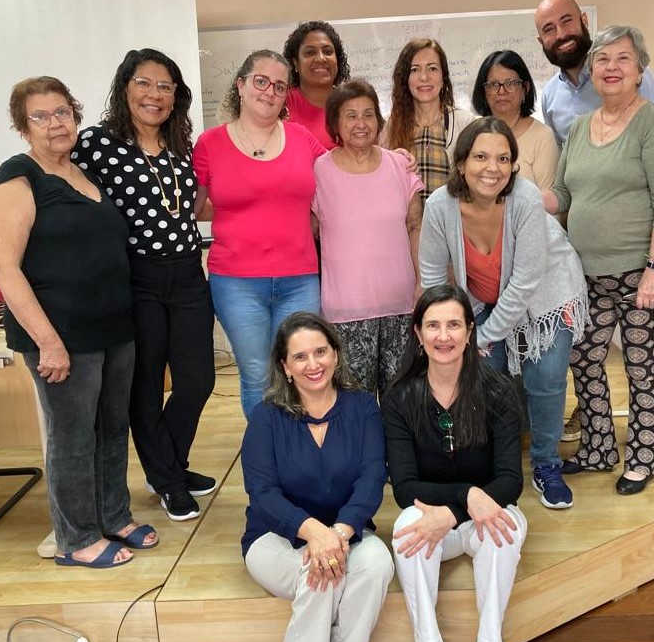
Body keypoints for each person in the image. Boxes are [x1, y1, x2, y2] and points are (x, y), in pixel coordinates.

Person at [0, 76, 157, 568]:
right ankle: (76, 539)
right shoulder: (16, 180)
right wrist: (48, 342)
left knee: (110, 427)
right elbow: (4, 267)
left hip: (112, 329)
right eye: (40, 116)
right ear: (23, 127)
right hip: (62, 336)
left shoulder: (81, 173)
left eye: (62, 112)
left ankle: (112, 516)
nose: (55, 123)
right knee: (73, 435)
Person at [72, 48, 216, 523]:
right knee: (146, 386)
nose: (155, 94)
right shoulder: (97, 144)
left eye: (166, 86)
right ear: (124, 88)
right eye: (144, 83)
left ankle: (165, 466)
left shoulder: (180, 144)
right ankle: (171, 479)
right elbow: (63, 188)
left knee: (198, 378)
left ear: (177, 96)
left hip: (189, 273)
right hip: (138, 278)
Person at [543, 26, 654, 495]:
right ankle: (599, 448)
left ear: (640, 70)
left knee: (642, 363)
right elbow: (563, 194)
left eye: (622, 59)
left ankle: (643, 457)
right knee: (584, 357)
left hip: (643, 269)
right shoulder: (581, 128)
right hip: (588, 273)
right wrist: (515, 194)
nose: (610, 68)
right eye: (602, 59)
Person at [420, 117, 587, 510]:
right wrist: (456, 330)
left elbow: (527, 280)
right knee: (485, 383)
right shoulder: (439, 206)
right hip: (482, 300)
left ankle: (547, 465)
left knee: (544, 380)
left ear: (513, 164)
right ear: (461, 162)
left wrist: (484, 335)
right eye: (480, 156)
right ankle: (496, 467)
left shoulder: (525, 199)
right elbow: (432, 276)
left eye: (502, 158)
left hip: (547, 294)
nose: (491, 168)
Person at [382, 284, 526, 642]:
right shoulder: (399, 397)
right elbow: (404, 487)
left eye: (452, 325)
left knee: (507, 530)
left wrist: (465, 508)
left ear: (469, 331)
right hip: (441, 517)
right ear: (417, 333)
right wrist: (462, 501)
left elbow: (510, 480)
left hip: (485, 517)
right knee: (406, 529)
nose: (443, 336)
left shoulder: (498, 390)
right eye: (433, 326)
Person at [241, 312, 393, 642]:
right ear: (285, 367)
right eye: (301, 357)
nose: (314, 364)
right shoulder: (266, 417)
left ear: (336, 354)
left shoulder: (362, 408)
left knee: (377, 565)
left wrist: (338, 533)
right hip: (273, 539)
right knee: (319, 573)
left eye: (321, 351)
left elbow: (372, 477)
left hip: (346, 532)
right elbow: (262, 494)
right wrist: (314, 533)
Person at [193, 50, 325, 419]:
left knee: (303, 373)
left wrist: (394, 158)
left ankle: (300, 454)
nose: (269, 91)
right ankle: (266, 461)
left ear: (286, 96)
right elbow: (194, 207)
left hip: (300, 279)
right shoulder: (210, 143)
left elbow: (342, 175)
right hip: (236, 283)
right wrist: (245, 213)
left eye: (279, 86)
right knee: (257, 376)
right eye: (261, 81)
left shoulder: (301, 138)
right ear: (241, 85)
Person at [312, 78, 424, 395]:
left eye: (368, 114)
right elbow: (309, 232)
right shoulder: (319, 170)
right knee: (353, 403)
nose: (361, 123)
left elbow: (416, 226)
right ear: (335, 122)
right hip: (345, 312)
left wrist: (420, 284)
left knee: (401, 400)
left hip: (401, 308)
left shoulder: (400, 164)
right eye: (351, 115)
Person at [534, 0, 654, 147]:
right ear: (541, 41)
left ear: (584, 20)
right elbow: (559, 155)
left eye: (566, 21)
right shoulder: (549, 95)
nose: (561, 34)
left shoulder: (628, 74)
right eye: (549, 29)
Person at [382, 39, 477, 202]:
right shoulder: (389, 126)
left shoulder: (465, 123)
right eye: (415, 70)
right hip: (404, 226)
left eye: (432, 68)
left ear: (443, 76)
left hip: (452, 226)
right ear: (405, 78)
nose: (424, 77)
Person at [471, 50, 559, 190]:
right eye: (493, 85)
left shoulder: (542, 136)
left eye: (511, 83)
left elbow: (549, 201)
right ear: (483, 92)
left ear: (525, 89)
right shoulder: (471, 133)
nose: (501, 91)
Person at [282, 20, 351, 150]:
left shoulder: (353, 102)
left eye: (328, 52)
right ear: (295, 63)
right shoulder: (281, 104)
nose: (320, 58)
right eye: (310, 52)